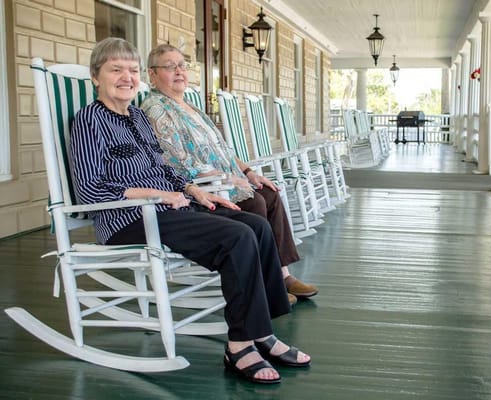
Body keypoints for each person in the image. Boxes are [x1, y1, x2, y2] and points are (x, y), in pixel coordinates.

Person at [69, 37, 310, 384]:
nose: (126, 77)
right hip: (130, 218)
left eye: (132, 70)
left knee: (255, 224)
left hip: (171, 207)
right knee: (238, 237)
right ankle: (241, 345)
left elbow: (165, 168)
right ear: (96, 77)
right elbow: (90, 191)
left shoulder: (137, 116)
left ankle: (263, 333)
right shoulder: (90, 121)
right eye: (115, 69)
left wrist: (190, 187)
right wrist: (155, 194)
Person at [140, 44, 318, 305]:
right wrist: (224, 177)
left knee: (269, 193)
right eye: (169, 66)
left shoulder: (192, 107)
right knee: (254, 202)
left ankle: (281, 274)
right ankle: (260, 285)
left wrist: (247, 171)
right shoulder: (155, 108)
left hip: (229, 179)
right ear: (152, 75)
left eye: (182, 65)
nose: (179, 71)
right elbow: (175, 159)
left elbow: (224, 149)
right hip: (203, 187)